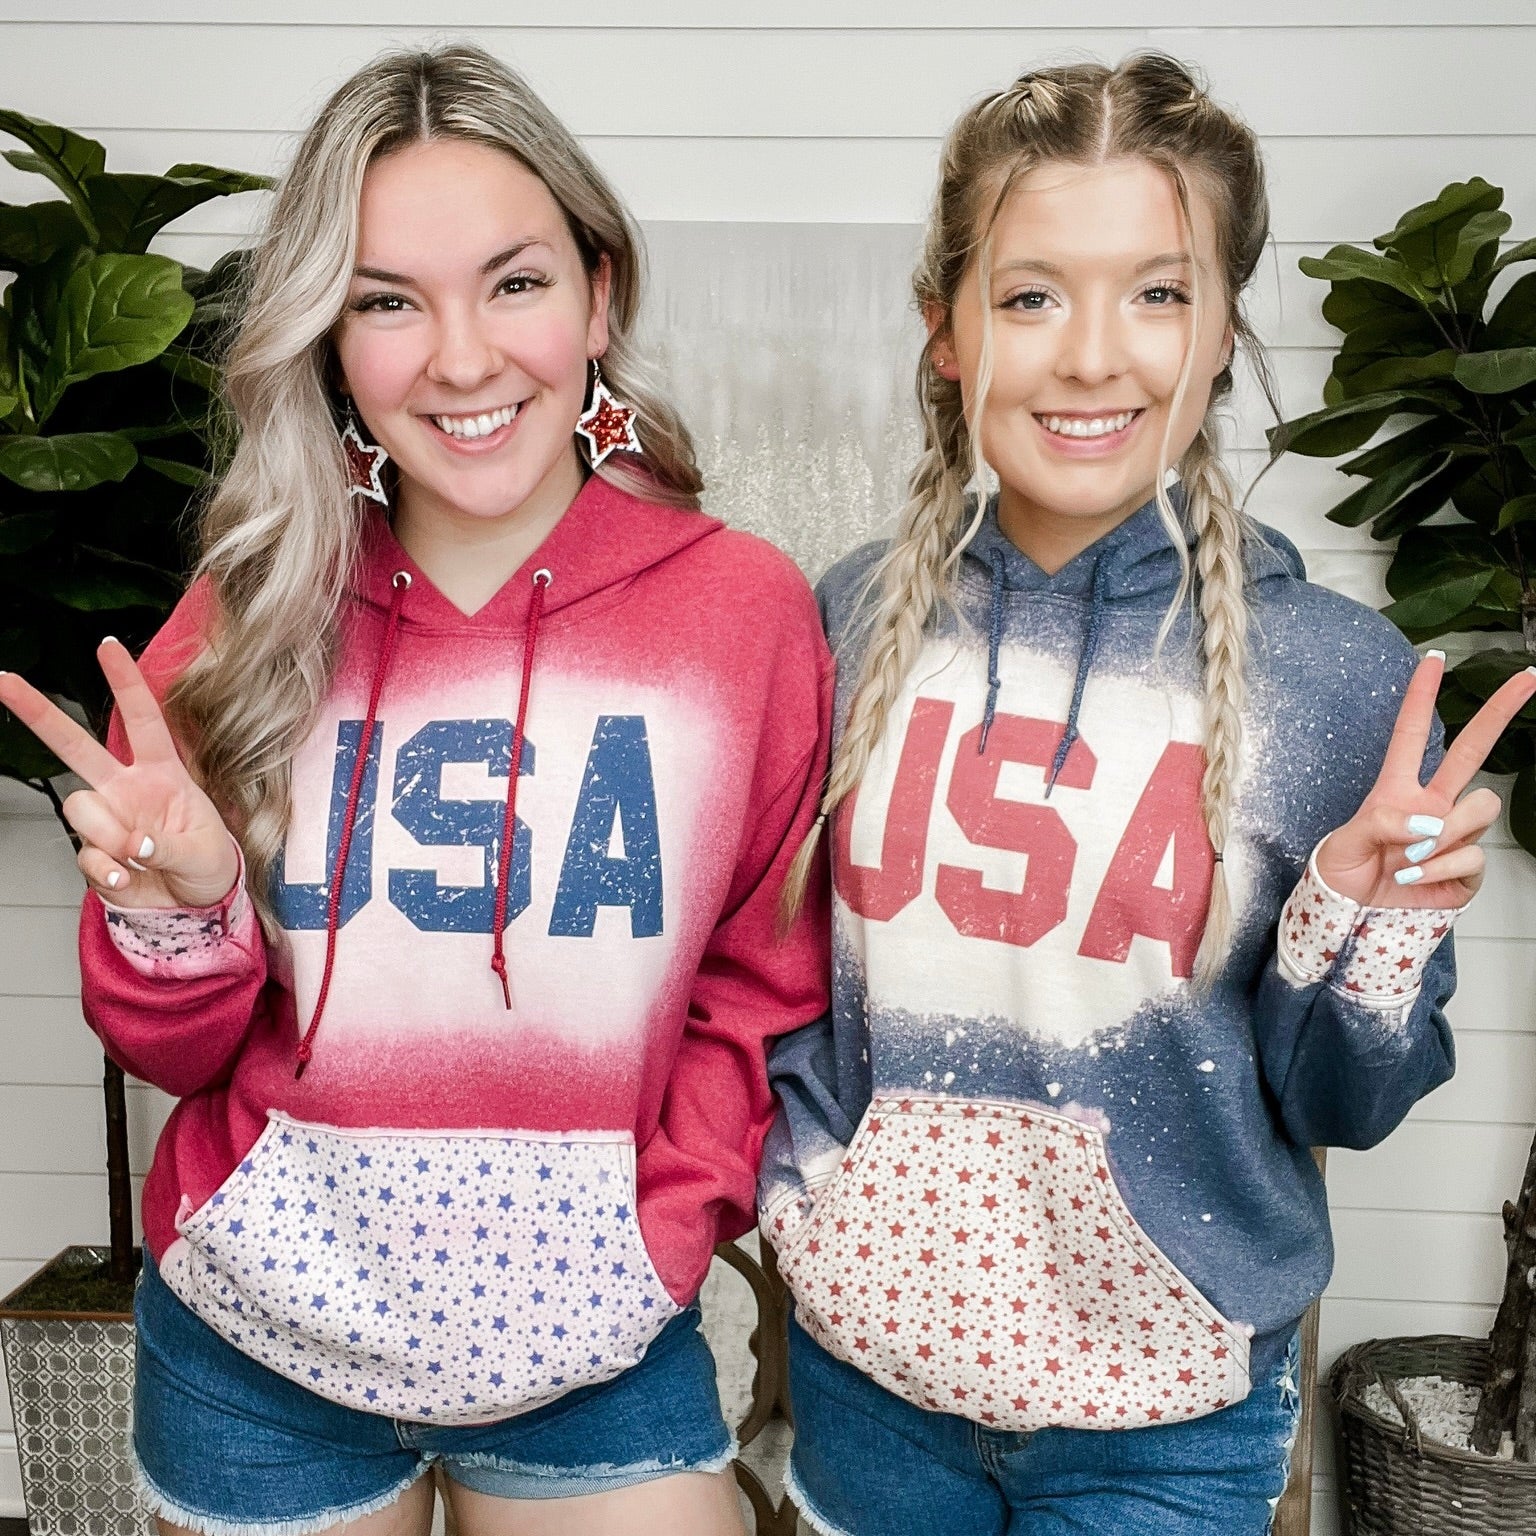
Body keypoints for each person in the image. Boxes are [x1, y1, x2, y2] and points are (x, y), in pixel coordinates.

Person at [0, 43, 830, 1536]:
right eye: (387, 300)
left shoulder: (743, 612)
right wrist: (185, 911)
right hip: (255, 1352)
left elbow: (762, 984)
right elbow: (172, 1044)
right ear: (328, 337)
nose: (460, 358)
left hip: (600, 1342)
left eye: (514, 282)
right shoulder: (245, 617)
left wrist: (663, 1227)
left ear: (599, 295)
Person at [758, 53, 1535, 1536]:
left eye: (1159, 293)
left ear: (1225, 330)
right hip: (868, 1388)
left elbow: (1349, 1105)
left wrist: (1360, 934)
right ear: (946, 330)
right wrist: (810, 1190)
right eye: (1031, 295)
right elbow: (775, 983)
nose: (1093, 357)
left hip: (1169, 1425)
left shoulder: (1336, 679)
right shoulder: (843, 623)